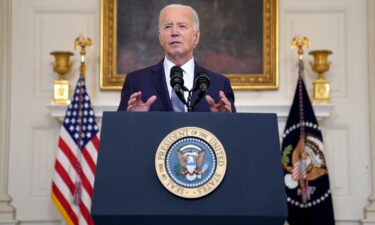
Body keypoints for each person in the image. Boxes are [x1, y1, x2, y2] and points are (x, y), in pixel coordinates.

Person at [117, 4, 236, 112]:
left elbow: (234, 133)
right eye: (168, 27)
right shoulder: (136, 82)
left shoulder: (219, 84)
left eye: (182, 26)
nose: (174, 32)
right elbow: (120, 131)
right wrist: (133, 119)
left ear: (196, 37)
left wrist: (223, 121)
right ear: (160, 38)